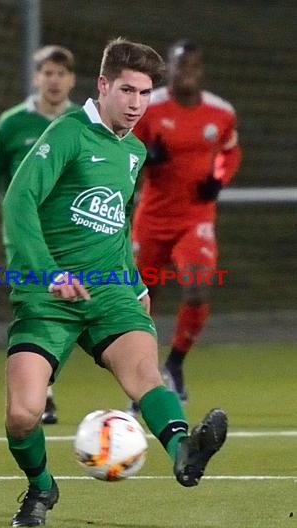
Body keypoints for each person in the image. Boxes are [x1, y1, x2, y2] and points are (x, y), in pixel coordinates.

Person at [1, 37, 228, 528]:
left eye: (146, 93)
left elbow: (119, 223)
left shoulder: (134, 152)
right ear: (103, 85)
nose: (136, 104)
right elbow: (19, 202)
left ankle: (184, 452)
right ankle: (41, 488)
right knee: (23, 415)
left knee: (146, 375)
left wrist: (134, 282)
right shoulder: (67, 134)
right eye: (127, 90)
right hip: (50, 298)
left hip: (109, 293)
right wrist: (48, 272)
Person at [0, 45, 79, 424]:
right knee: (33, 304)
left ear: (72, 80)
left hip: (70, 233)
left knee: (74, 306)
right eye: (48, 72)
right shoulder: (12, 123)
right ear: (35, 77)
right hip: (24, 234)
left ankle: (44, 381)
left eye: (61, 73)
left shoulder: (82, 122)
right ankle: (41, 392)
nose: (55, 80)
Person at [128, 39, 241, 413]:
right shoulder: (150, 108)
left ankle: (174, 364)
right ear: (170, 70)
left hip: (195, 218)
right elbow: (125, 152)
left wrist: (219, 181)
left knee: (197, 287)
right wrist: (147, 157)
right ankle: (142, 382)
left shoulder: (220, 113)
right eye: (180, 66)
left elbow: (230, 151)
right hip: (152, 217)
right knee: (140, 300)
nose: (186, 72)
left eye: (193, 66)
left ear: (201, 71)